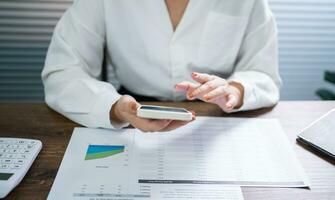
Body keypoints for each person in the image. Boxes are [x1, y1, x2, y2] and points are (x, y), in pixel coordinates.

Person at [42, 0, 282, 132]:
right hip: (130, 113)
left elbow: (263, 74)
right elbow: (62, 73)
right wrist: (113, 107)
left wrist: (236, 90)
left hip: (216, 120)